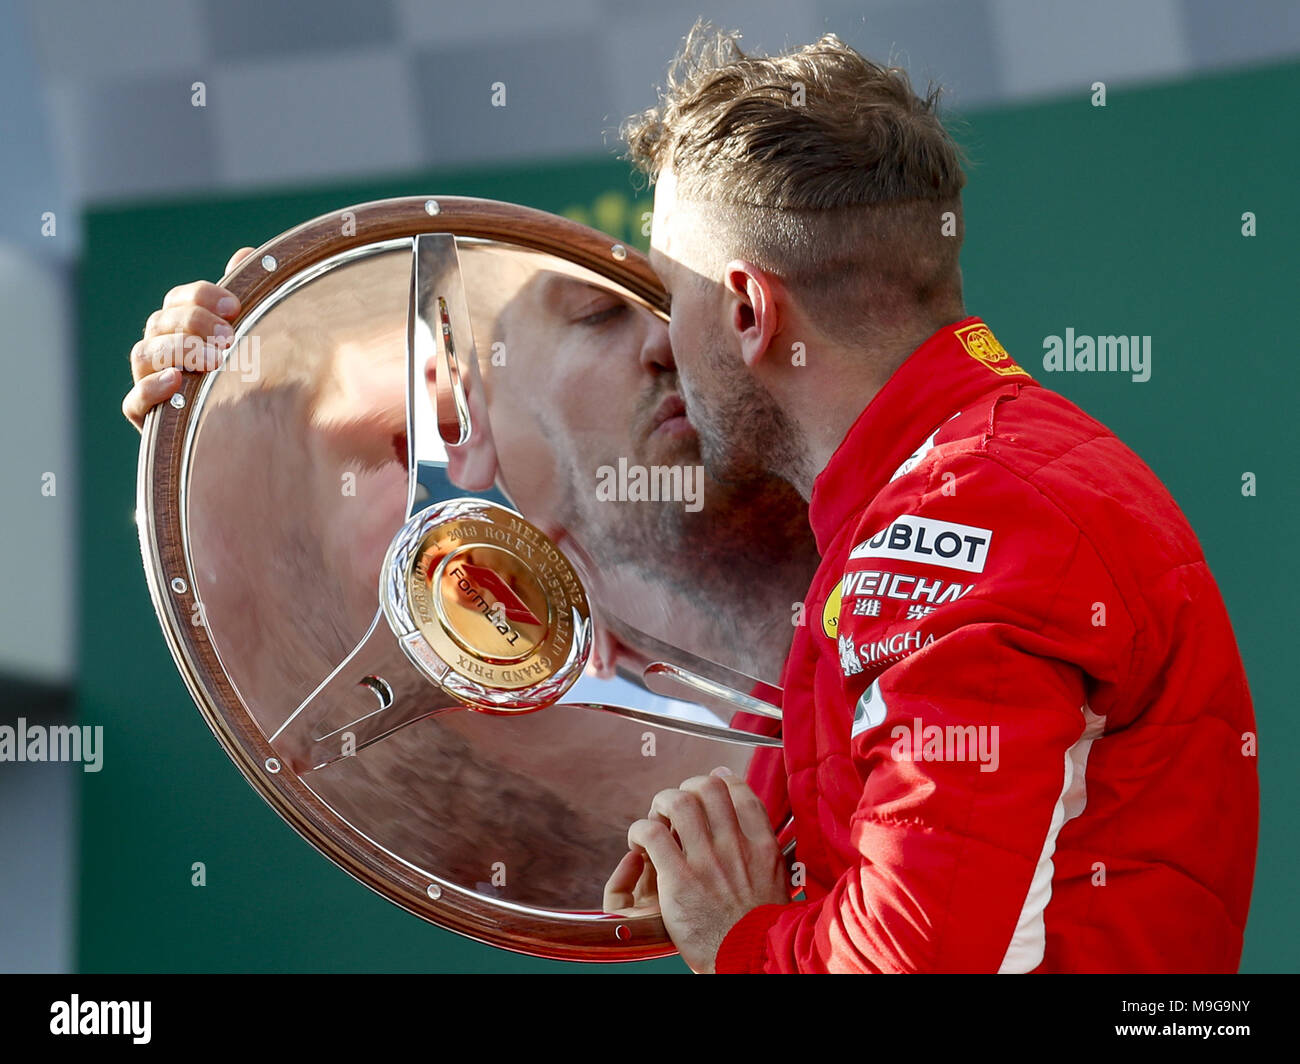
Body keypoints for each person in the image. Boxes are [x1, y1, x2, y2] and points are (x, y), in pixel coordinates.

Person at [603, 22, 1259, 973]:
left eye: (672, 292)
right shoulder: (957, 494)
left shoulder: (964, 516)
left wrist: (739, 943)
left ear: (748, 311)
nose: (661, 345)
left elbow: (919, 960)